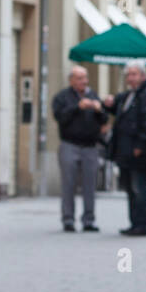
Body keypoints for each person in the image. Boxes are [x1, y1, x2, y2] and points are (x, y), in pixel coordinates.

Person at [103, 60, 146, 236]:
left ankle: (142, 225)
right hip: (125, 150)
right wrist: (110, 104)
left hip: (138, 151)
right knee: (130, 188)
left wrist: (141, 145)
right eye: (128, 74)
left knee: (138, 188)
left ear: (143, 76)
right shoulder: (130, 95)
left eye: (134, 74)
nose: (130, 78)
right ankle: (134, 223)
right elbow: (120, 111)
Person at [52, 66, 108, 232]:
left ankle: (88, 220)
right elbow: (59, 117)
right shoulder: (62, 97)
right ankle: (68, 219)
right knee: (68, 184)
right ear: (71, 80)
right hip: (69, 145)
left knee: (90, 185)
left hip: (90, 146)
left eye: (85, 77)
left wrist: (99, 109)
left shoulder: (93, 95)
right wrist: (78, 107)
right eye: (80, 78)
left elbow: (104, 119)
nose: (84, 81)